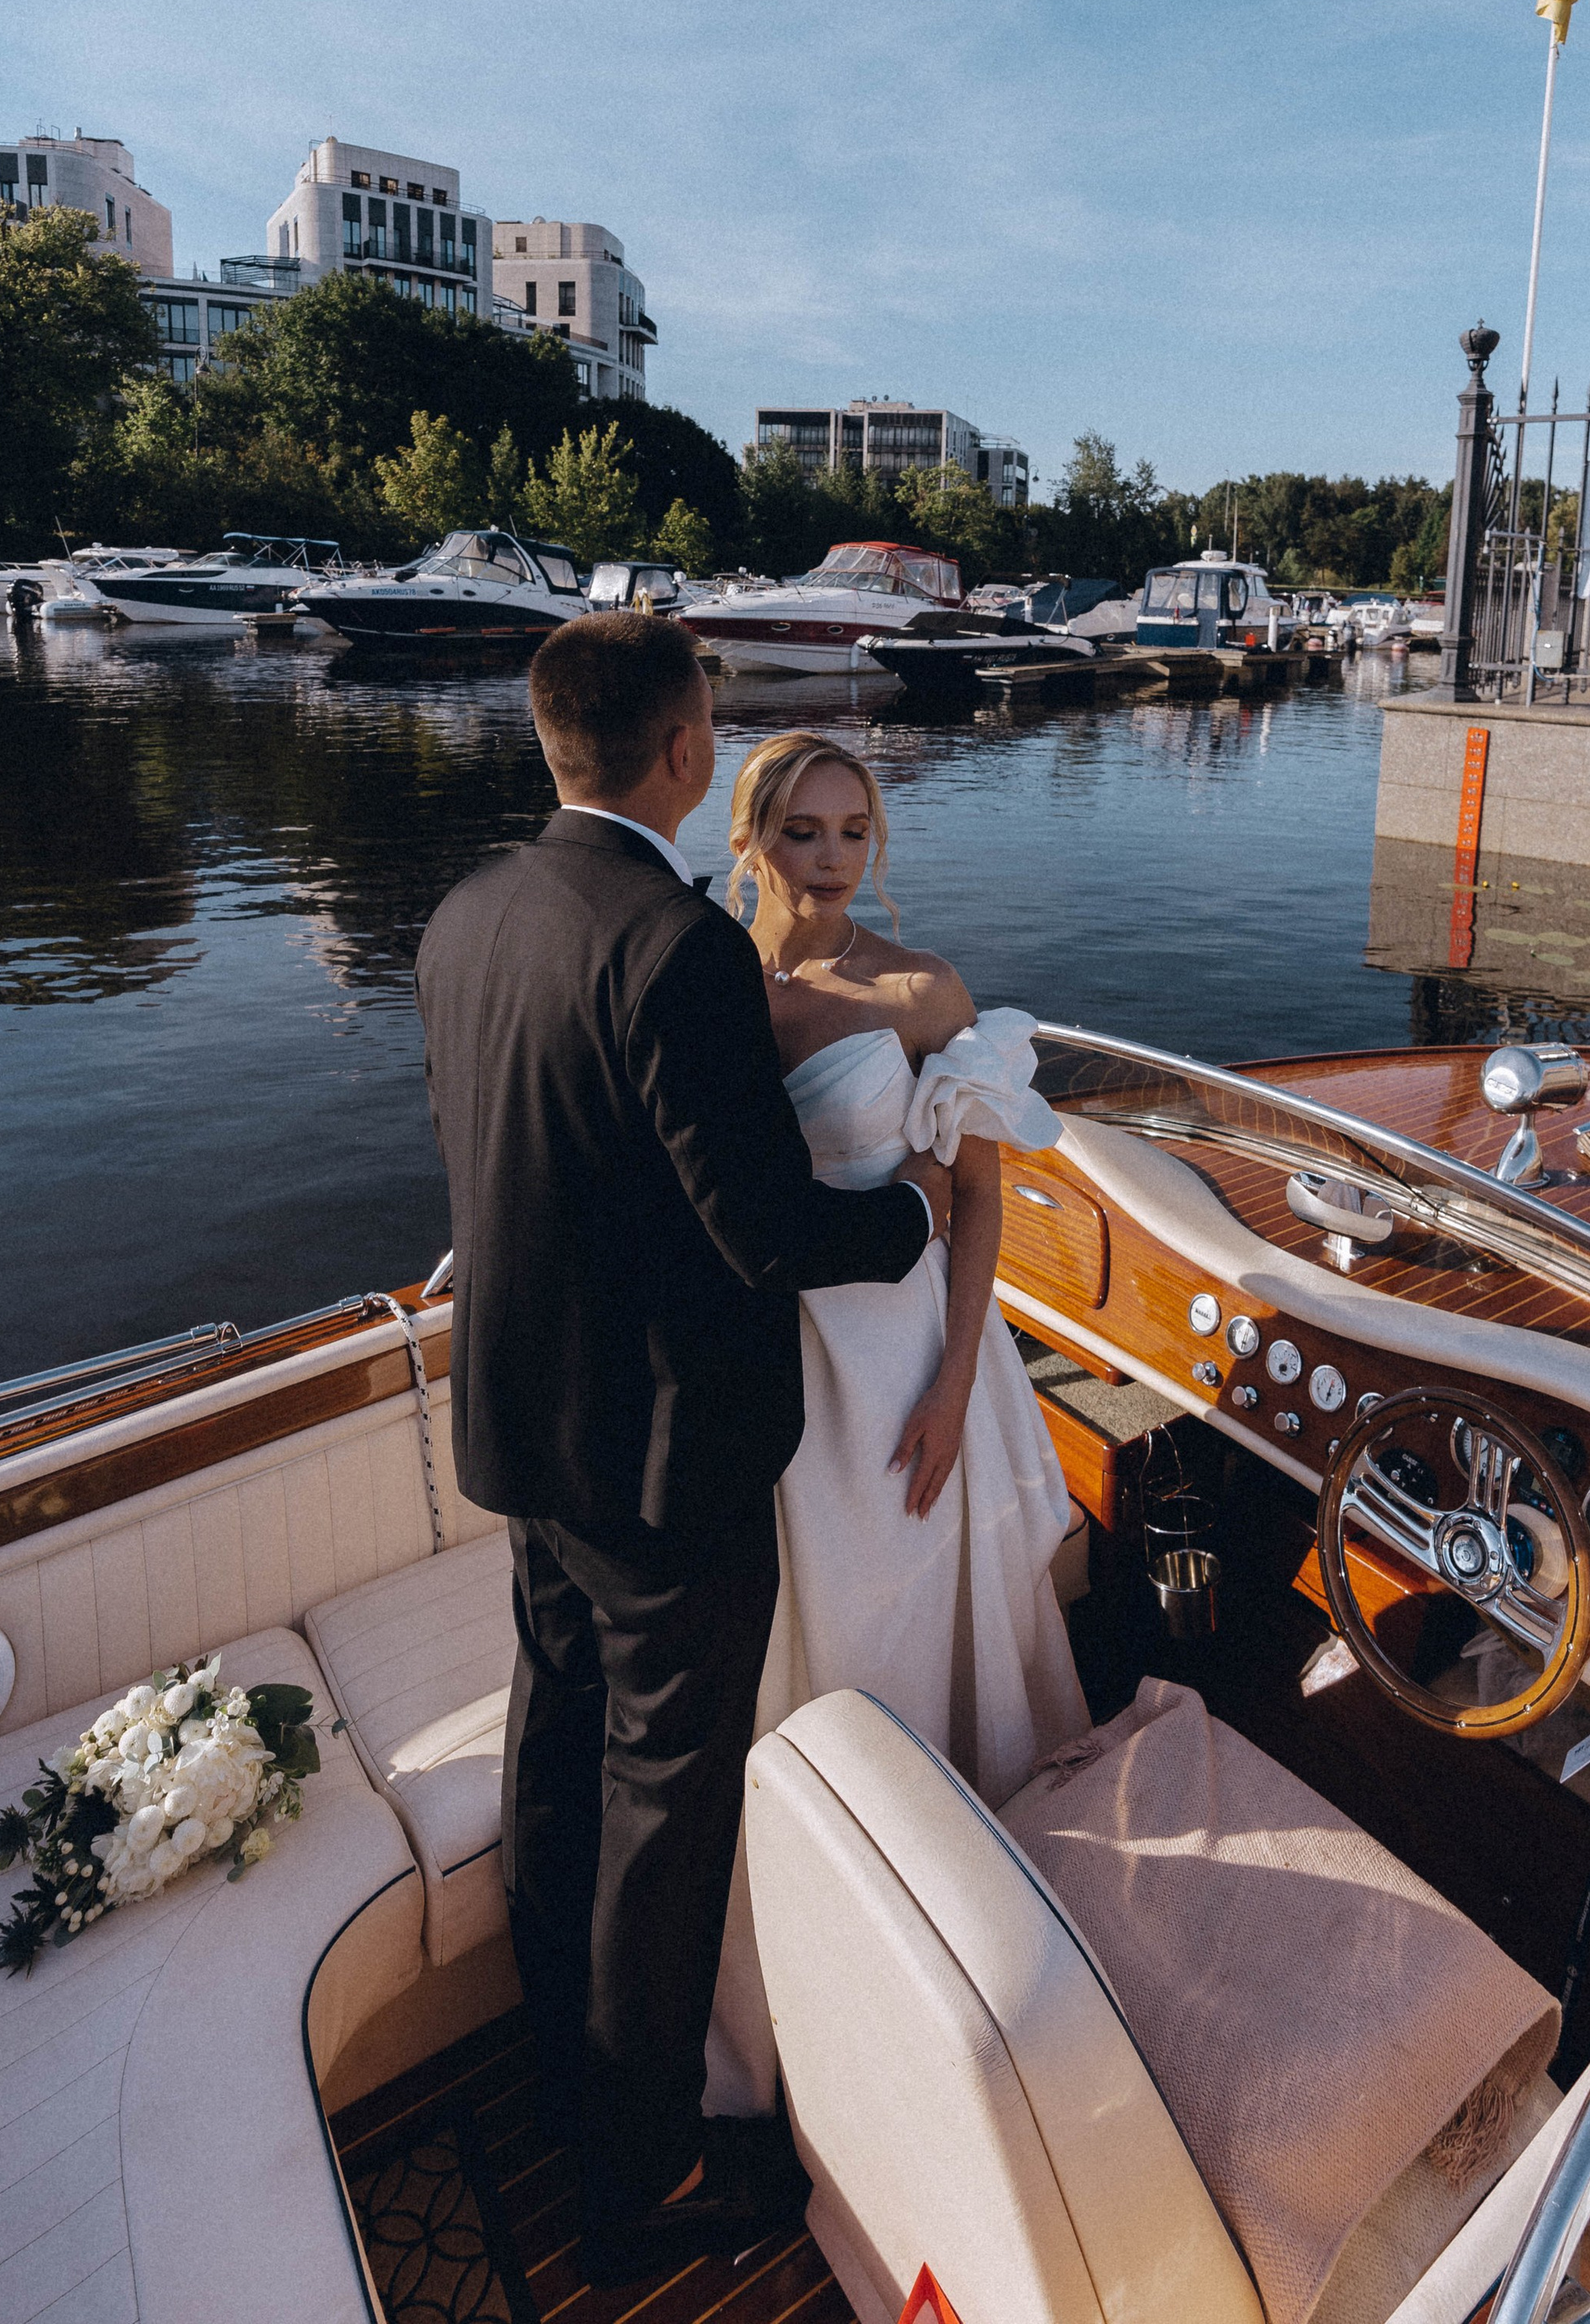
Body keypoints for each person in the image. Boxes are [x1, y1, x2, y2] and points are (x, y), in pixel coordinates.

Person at [414, 618, 950, 2284]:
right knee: (663, 1797)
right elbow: (765, 1229)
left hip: (521, 1423)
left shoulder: (464, 916)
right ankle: (639, 2174)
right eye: (711, 719)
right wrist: (916, 1218)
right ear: (681, 752)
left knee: (555, 1738)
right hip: (664, 1461)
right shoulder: (678, 948)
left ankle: (552, 2051)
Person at [704, 729, 1090, 2121]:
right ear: (750, 838)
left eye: (853, 831)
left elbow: (976, 1199)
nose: (829, 858)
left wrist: (950, 1385)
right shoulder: (712, 991)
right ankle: (839, 1902)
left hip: (917, 1354)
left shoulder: (925, 992)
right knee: (817, 1631)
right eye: (802, 832)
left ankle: (973, 1909)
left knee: (930, 1608)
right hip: (784, 1365)